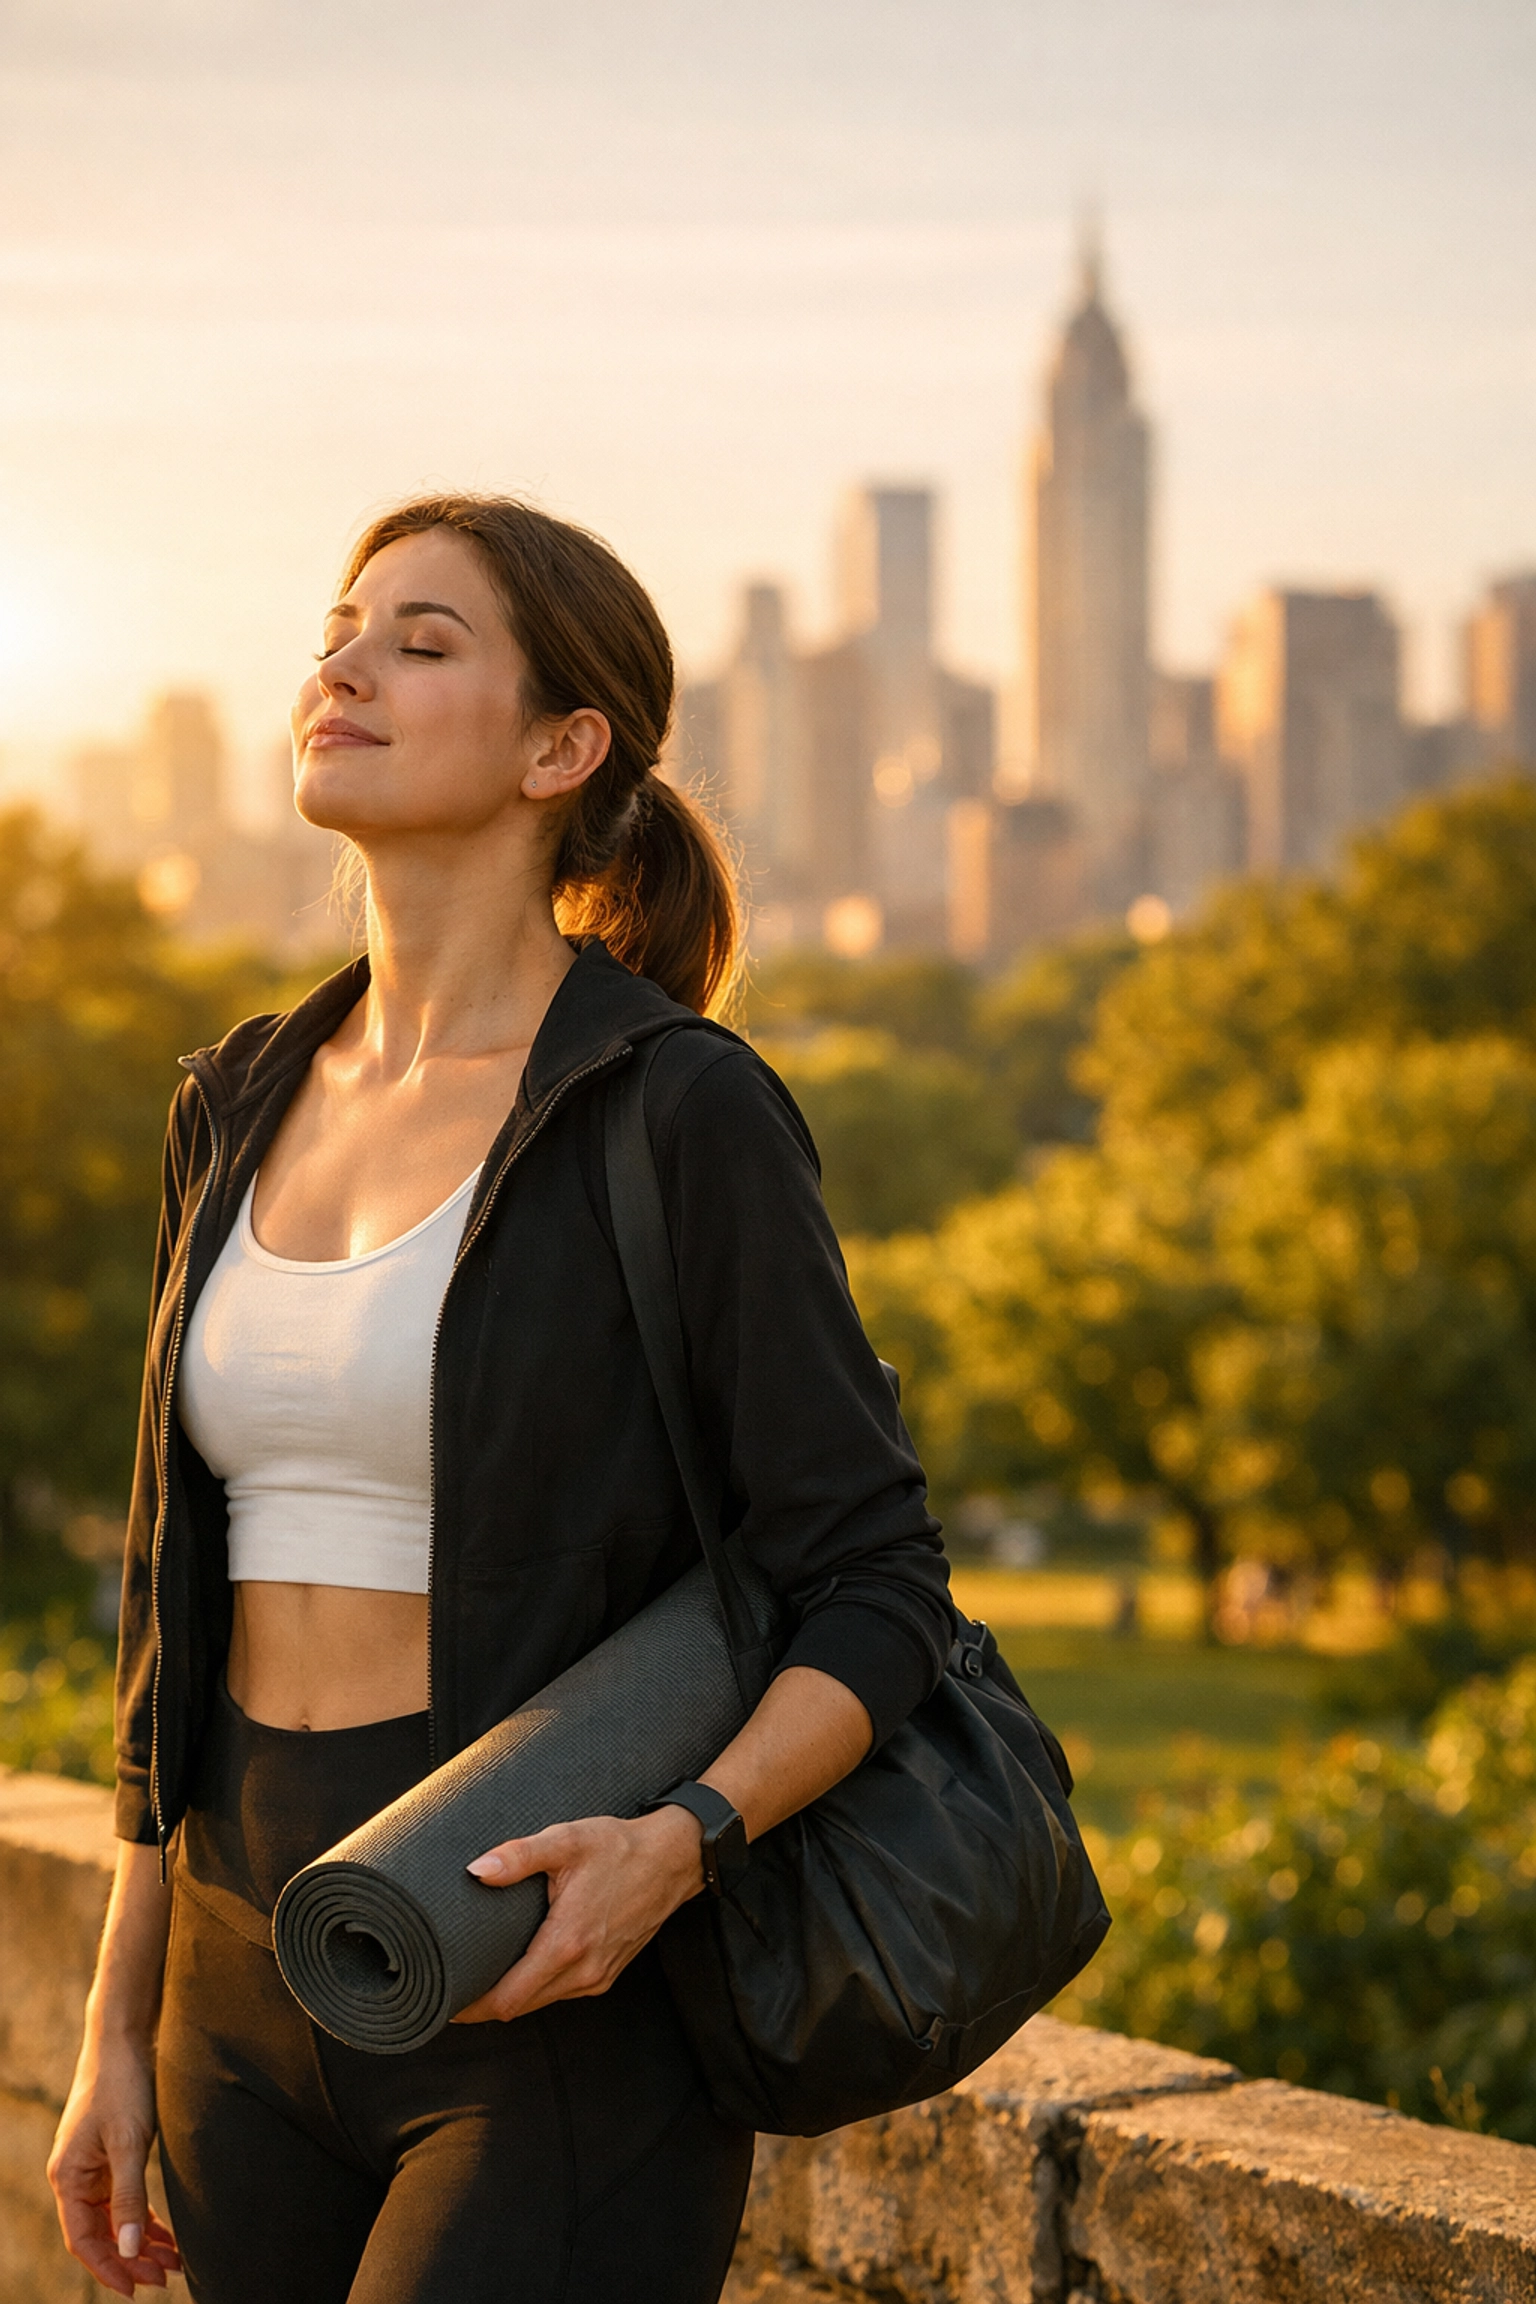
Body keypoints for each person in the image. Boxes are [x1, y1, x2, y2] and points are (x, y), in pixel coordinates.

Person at [47, 494, 954, 2303]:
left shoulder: (676, 1109)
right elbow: (171, 1588)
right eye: (341, 628)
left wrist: (680, 1843)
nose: (344, 667)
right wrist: (119, 2010)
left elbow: (874, 1580)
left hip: (542, 1959)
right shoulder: (234, 1096)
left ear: (564, 746)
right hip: (246, 1949)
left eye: (421, 640)